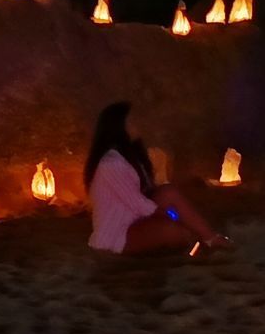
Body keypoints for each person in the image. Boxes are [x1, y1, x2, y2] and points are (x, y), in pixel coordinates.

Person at [85, 102, 228, 255]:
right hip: (116, 233)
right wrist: (172, 216)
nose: (138, 123)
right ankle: (196, 244)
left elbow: (146, 195)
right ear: (119, 126)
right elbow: (137, 204)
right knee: (177, 232)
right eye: (132, 120)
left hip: (134, 219)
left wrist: (174, 214)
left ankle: (210, 238)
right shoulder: (111, 163)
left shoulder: (130, 156)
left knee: (169, 193)